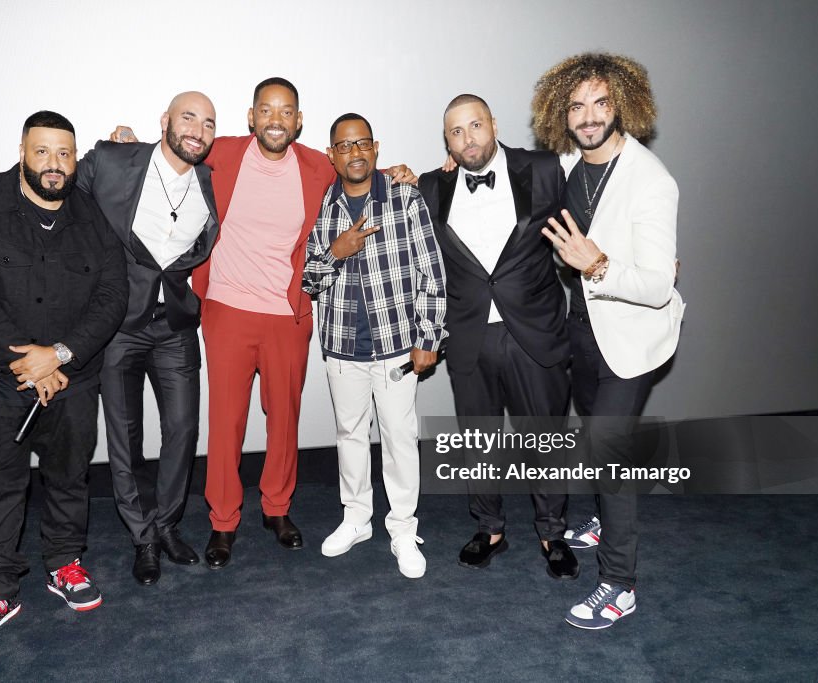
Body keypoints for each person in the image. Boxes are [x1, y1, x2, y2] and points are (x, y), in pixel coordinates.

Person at [113, 77, 415, 569]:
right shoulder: (223, 154)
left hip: (288, 313)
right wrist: (128, 145)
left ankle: (277, 509)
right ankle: (223, 521)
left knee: (284, 419)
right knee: (226, 423)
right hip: (228, 310)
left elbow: (359, 165)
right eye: (266, 110)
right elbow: (173, 152)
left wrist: (406, 172)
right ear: (251, 117)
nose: (276, 119)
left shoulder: (319, 167)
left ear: (298, 121)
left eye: (286, 111)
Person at [0, 93, 221, 587]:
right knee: (122, 437)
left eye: (208, 122)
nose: (197, 128)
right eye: (187, 117)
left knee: (182, 431)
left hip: (171, 325)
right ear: (165, 121)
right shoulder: (113, 160)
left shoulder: (211, 174)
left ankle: (166, 526)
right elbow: (44, 184)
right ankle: (141, 537)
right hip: (114, 330)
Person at [0, 111, 127, 651]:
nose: (54, 164)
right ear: (22, 150)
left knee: (69, 477)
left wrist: (59, 357)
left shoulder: (92, 217)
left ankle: (64, 563)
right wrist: (27, 363)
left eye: (64, 153)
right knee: (2, 484)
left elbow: (112, 295)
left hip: (71, 375)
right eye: (43, 151)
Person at [534, 52, 684, 629]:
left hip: (634, 335)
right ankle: (600, 521)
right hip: (584, 330)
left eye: (600, 102)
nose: (589, 115)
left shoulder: (652, 181)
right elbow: (518, 165)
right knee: (597, 439)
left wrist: (597, 265)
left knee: (606, 445)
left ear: (623, 103)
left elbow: (654, 286)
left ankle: (620, 584)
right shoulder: (572, 159)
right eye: (576, 105)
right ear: (562, 114)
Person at [417, 95, 579, 581]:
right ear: (446, 140)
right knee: (478, 441)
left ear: (493, 125)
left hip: (534, 332)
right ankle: (489, 529)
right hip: (469, 336)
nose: (468, 139)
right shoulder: (431, 187)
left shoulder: (545, 169)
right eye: (456, 132)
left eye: (475, 126)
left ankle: (552, 532)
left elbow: (589, 223)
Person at [303, 113, 447, 578]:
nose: (355, 152)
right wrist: (335, 252)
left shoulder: (404, 197)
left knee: (400, 438)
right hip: (343, 346)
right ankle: (357, 518)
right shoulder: (324, 206)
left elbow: (432, 272)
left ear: (376, 147)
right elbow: (309, 280)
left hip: (396, 346)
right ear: (332, 155)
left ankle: (403, 528)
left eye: (362, 143)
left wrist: (430, 336)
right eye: (344, 146)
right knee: (349, 437)